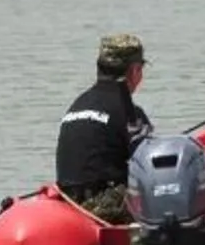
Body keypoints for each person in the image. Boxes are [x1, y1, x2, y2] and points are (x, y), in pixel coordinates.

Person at [54, 33, 154, 224]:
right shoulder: (130, 113)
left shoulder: (78, 104)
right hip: (104, 208)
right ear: (134, 71)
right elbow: (149, 171)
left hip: (67, 204)